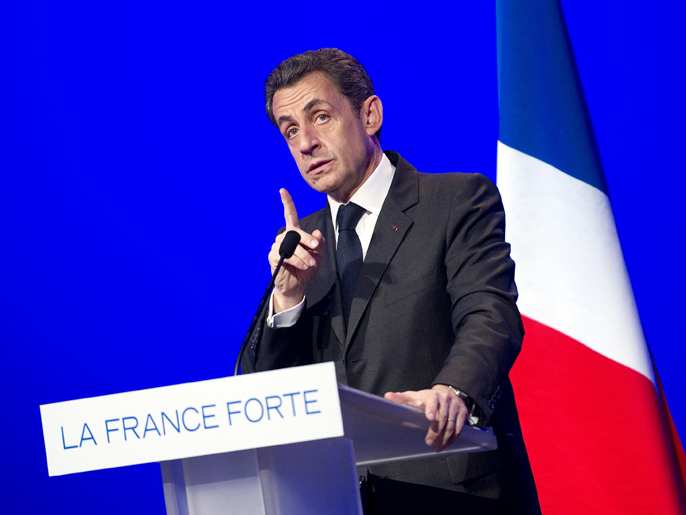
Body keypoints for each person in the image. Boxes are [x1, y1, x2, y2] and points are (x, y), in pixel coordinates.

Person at [242, 48, 540, 514]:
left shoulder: (457, 201)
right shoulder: (302, 245)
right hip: (339, 498)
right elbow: (263, 400)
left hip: (449, 490)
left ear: (370, 115)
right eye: (291, 129)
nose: (305, 143)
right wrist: (288, 300)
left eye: (319, 116)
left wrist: (454, 391)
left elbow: (491, 313)